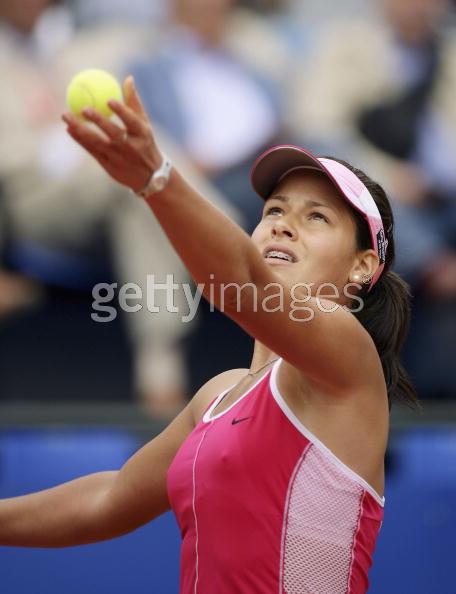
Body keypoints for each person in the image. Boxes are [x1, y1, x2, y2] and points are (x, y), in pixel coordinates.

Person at [0, 77, 418, 593]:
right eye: (274, 211)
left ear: (362, 267)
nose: (284, 225)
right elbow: (107, 500)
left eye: (316, 217)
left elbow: (241, 284)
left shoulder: (348, 354)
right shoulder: (217, 395)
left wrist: (155, 177)